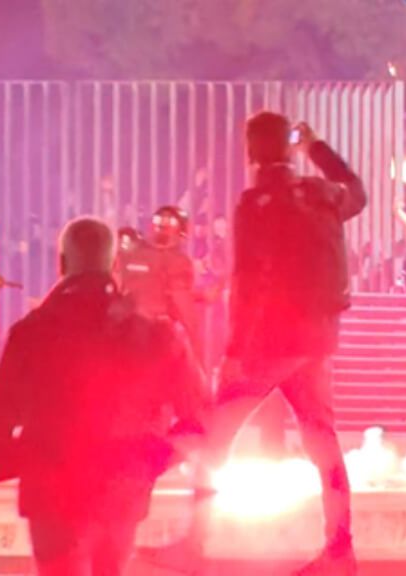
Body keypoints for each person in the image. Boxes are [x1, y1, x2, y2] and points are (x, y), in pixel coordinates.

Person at [143, 113, 366, 576]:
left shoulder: (255, 204)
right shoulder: (318, 193)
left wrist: (235, 349)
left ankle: (189, 537)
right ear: (289, 150)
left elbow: (251, 280)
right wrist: (318, 148)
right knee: (322, 443)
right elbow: (357, 193)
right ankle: (340, 551)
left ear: (250, 154)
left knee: (212, 435)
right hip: (316, 341)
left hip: (269, 344)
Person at [0, 217, 205, 576]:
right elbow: (197, 420)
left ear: (62, 264)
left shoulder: (30, 335)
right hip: (122, 488)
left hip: (52, 492)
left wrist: (24, 460)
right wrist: (150, 462)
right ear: (115, 266)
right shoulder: (156, 335)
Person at [115, 205, 199, 357]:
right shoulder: (177, 261)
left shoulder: (127, 255)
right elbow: (183, 304)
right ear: (182, 233)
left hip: (123, 337)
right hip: (156, 339)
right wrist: (195, 346)